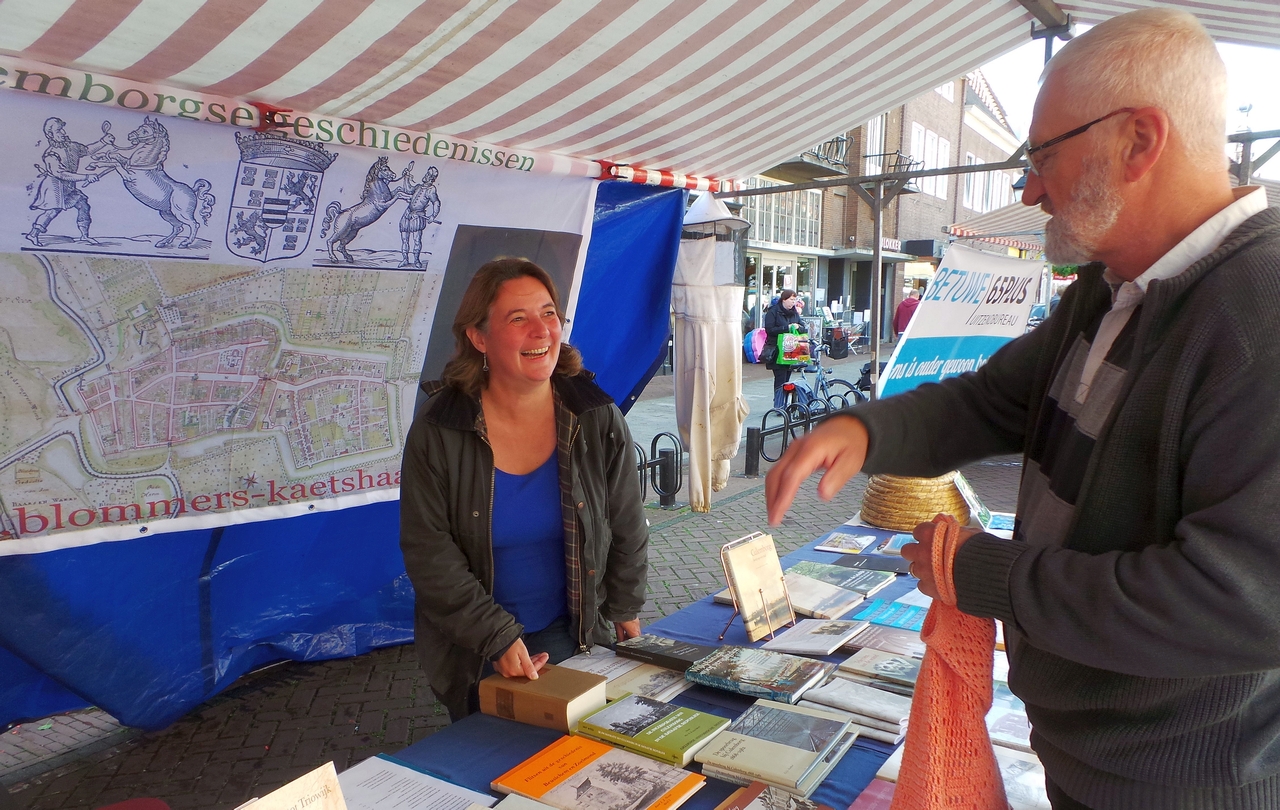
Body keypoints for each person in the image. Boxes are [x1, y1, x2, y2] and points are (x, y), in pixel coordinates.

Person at [765, 9, 1280, 809]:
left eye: (1044, 155)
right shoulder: (1107, 291)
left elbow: (1242, 599)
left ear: (1140, 141)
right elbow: (989, 401)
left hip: (1189, 786)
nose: (1031, 187)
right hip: (1084, 761)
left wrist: (989, 576)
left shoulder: (1261, 312)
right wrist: (862, 428)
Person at [399, 257, 648, 721]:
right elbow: (427, 552)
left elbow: (627, 521)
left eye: (549, 313)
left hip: (571, 633)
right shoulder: (439, 428)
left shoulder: (595, 415)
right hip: (478, 644)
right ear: (478, 337)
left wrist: (625, 607)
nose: (541, 331)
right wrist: (494, 636)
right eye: (519, 319)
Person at [25, 117, 113, 247]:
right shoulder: (51, 154)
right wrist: (86, 177)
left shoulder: (72, 146)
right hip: (55, 188)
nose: (64, 133)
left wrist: (103, 141)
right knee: (52, 212)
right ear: (50, 134)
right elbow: (60, 173)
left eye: (63, 129)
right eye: (59, 131)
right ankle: (33, 234)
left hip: (69, 187)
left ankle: (84, 236)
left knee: (83, 205)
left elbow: (87, 150)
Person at [763, 289, 806, 391]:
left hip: (791, 350)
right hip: (777, 351)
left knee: (787, 380)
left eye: (794, 300)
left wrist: (797, 327)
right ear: (784, 299)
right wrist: (787, 327)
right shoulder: (773, 312)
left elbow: (803, 328)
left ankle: (785, 403)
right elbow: (769, 330)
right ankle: (779, 403)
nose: (793, 302)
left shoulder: (794, 312)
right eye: (791, 299)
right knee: (780, 380)